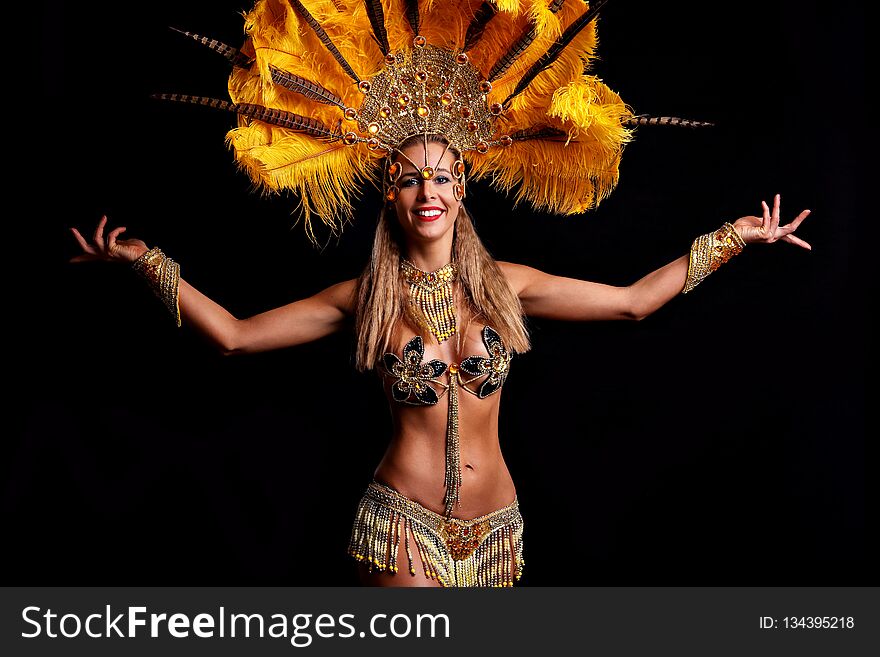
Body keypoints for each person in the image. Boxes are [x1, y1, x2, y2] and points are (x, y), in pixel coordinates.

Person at [69, 0, 811, 587]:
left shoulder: (509, 287)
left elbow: (631, 301)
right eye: (410, 176)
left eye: (442, 174)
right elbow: (233, 335)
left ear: (463, 188)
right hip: (402, 525)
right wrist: (146, 263)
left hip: (498, 533)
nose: (429, 188)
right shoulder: (364, 297)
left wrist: (732, 238)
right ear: (389, 193)